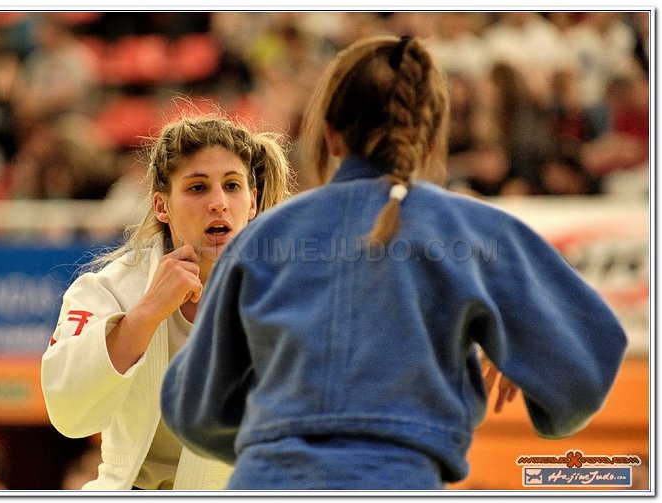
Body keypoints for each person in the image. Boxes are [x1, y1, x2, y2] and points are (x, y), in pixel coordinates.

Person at [160, 35, 628, 491]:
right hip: (400, 481)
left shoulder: (262, 239)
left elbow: (193, 411)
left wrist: (279, 438)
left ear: (330, 134)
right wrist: (523, 359)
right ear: (432, 134)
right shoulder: (475, 233)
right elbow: (583, 372)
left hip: (269, 482)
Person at [40, 112, 294, 490]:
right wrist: (143, 316)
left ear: (253, 202)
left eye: (232, 186)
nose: (219, 202)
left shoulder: (287, 295)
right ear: (162, 206)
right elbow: (68, 413)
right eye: (197, 187)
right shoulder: (109, 289)